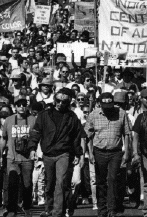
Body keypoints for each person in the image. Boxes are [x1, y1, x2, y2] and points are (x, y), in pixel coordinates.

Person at [28, 88, 84, 217]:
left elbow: (76, 137)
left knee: (61, 182)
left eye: (64, 102)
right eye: (58, 100)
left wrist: (79, 154)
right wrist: (32, 148)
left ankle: (57, 213)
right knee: (49, 184)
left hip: (63, 153)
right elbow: (36, 133)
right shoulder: (44, 115)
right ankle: (49, 208)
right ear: (54, 100)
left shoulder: (72, 117)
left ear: (69, 102)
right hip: (47, 154)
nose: (60, 104)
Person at [85, 92, 131, 217]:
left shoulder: (121, 113)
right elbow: (88, 135)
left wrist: (127, 152)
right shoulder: (93, 115)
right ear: (100, 104)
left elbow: (127, 133)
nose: (108, 109)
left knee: (113, 180)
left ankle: (112, 209)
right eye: (105, 106)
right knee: (100, 181)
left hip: (115, 152)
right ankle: (102, 209)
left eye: (110, 105)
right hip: (99, 151)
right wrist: (90, 153)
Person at [0, 98, 36, 217]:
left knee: (27, 184)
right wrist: (0, 155)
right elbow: (3, 138)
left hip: (27, 158)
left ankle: (26, 207)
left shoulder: (32, 120)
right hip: (12, 158)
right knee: (12, 183)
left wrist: (34, 151)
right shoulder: (9, 120)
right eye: (19, 105)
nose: (21, 107)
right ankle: (11, 209)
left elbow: (36, 137)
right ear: (15, 107)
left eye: (24, 105)